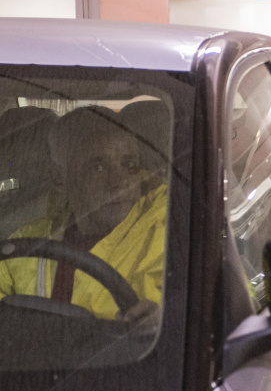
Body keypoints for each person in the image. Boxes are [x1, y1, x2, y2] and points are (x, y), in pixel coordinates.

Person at [0, 106, 167, 324]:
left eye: (130, 164)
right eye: (97, 167)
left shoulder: (170, 236)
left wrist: (167, 321)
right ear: (58, 178)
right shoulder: (27, 242)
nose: (121, 183)